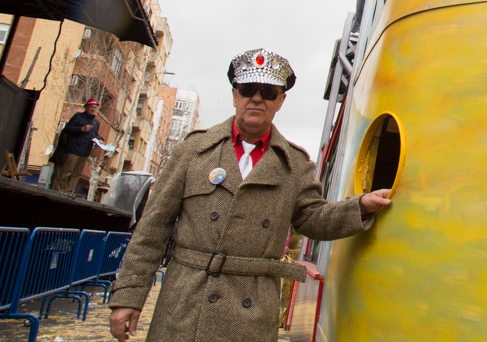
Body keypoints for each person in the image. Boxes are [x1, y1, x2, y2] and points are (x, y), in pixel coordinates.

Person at [108, 49, 392, 342]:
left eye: (268, 91)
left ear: (280, 101)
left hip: (251, 313)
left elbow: (312, 218)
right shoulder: (192, 151)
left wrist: (359, 207)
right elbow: (152, 229)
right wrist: (128, 297)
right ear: (235, 96)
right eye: (247, 89)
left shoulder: (295, 164)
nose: (256, 98)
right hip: (185, 307)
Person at [51, 98, 100, 193]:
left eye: (95, 107)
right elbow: (68, 129)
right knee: (66, 171)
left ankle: (68, 191)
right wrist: (81, 129)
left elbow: (95, 135)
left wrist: (99, 141)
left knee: (77, 173)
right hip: (73, 150)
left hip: (85, 152)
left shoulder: (97, 123)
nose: (93, 109)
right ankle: (60, 191)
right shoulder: (78, 117)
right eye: (91, 107)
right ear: (86, 107)